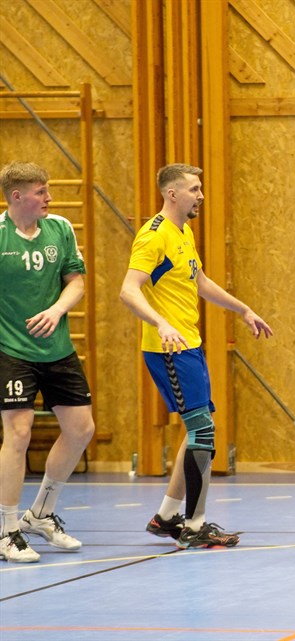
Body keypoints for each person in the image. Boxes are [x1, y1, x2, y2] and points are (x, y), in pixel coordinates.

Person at [119, 163, 273, 549]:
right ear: (172, 194)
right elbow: (128, 290)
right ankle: (195, 525)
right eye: (194, 189)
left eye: (200, 189)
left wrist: (243, 309)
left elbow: (200, 282)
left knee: (197, 429)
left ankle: (167, 516)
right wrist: (160, 323)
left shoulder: (182, 231)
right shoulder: (153, 236)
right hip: (169, 348)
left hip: (189, 343)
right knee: (203, 431)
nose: (201, 196)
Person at [0, 161, 96, 563]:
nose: (49, 197)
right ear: (17, 196)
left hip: (57, 349)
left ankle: (40, 514)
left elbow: (77, 282)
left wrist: (57, 310)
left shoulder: (60, 228)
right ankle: (7, 531)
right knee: (18, 433)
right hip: (11, 350)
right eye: (41, 191)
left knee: (81, 429)